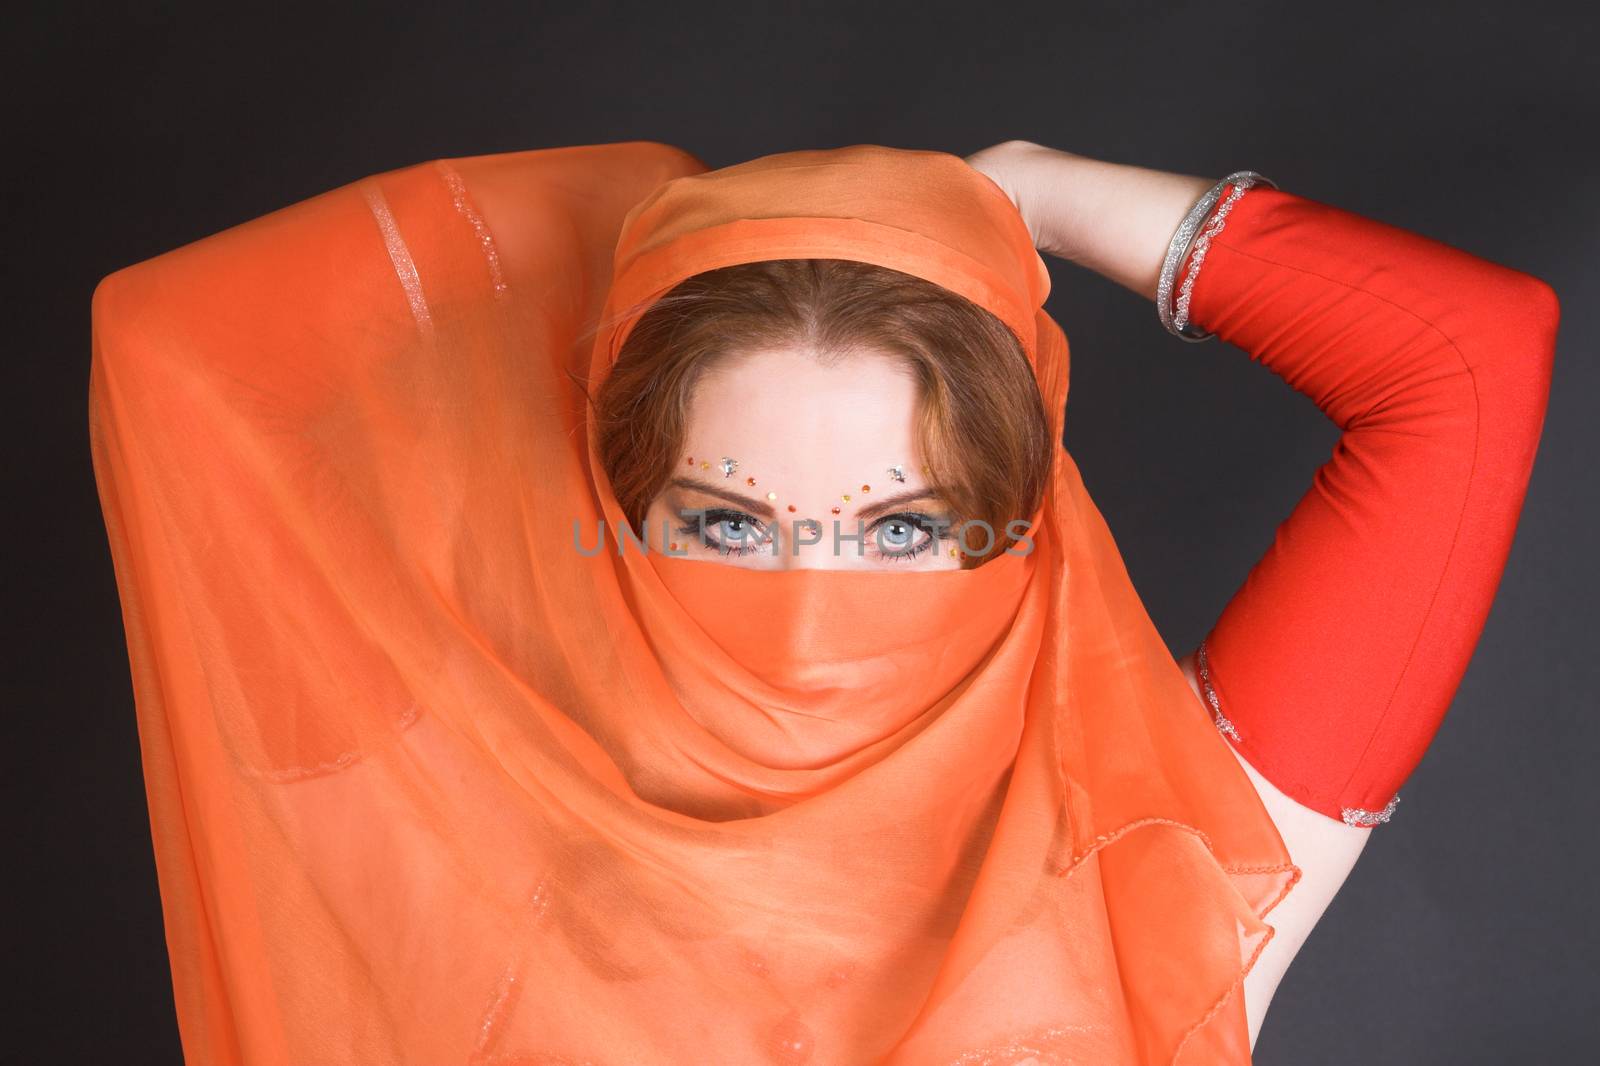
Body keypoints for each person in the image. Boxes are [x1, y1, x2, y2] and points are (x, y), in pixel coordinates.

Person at [88, 139, 1557, 1064]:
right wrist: (608, 232)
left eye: (904, 528)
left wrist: (1023, 193)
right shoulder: (453, 806)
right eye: (726, 519)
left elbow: (1467, 363)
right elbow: (172, 354)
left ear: (1016, 519)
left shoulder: (1160, 849)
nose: (808, 612)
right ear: (619, 507)